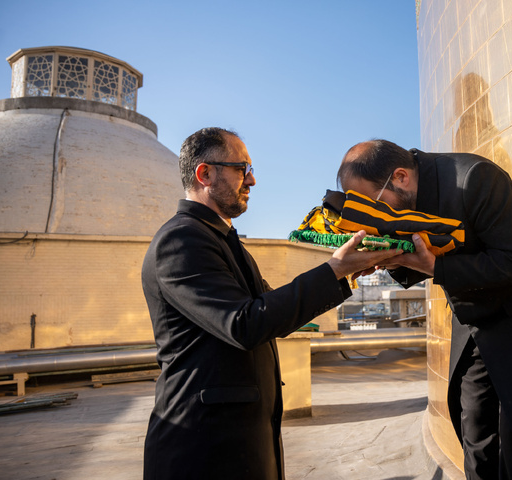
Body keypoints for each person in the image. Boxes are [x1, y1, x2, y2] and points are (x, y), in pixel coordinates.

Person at [141, 128, 401, 480]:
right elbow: (244, 324)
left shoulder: (222, 240)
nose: (252, 179)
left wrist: (346, 273)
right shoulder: (181, 240)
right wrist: (334, 270)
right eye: (241, 168)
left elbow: (270, 312)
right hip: (204, 449)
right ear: (204, 174)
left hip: (237, 443)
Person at [337, 140, 512, 480]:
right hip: (475, 326)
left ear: (401, 177)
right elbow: (417, 251)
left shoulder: (477, 178)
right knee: (475, 435)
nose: (368, 215)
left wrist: (437, 270)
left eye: (368, 204)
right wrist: (383, 259)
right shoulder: (403, 200)